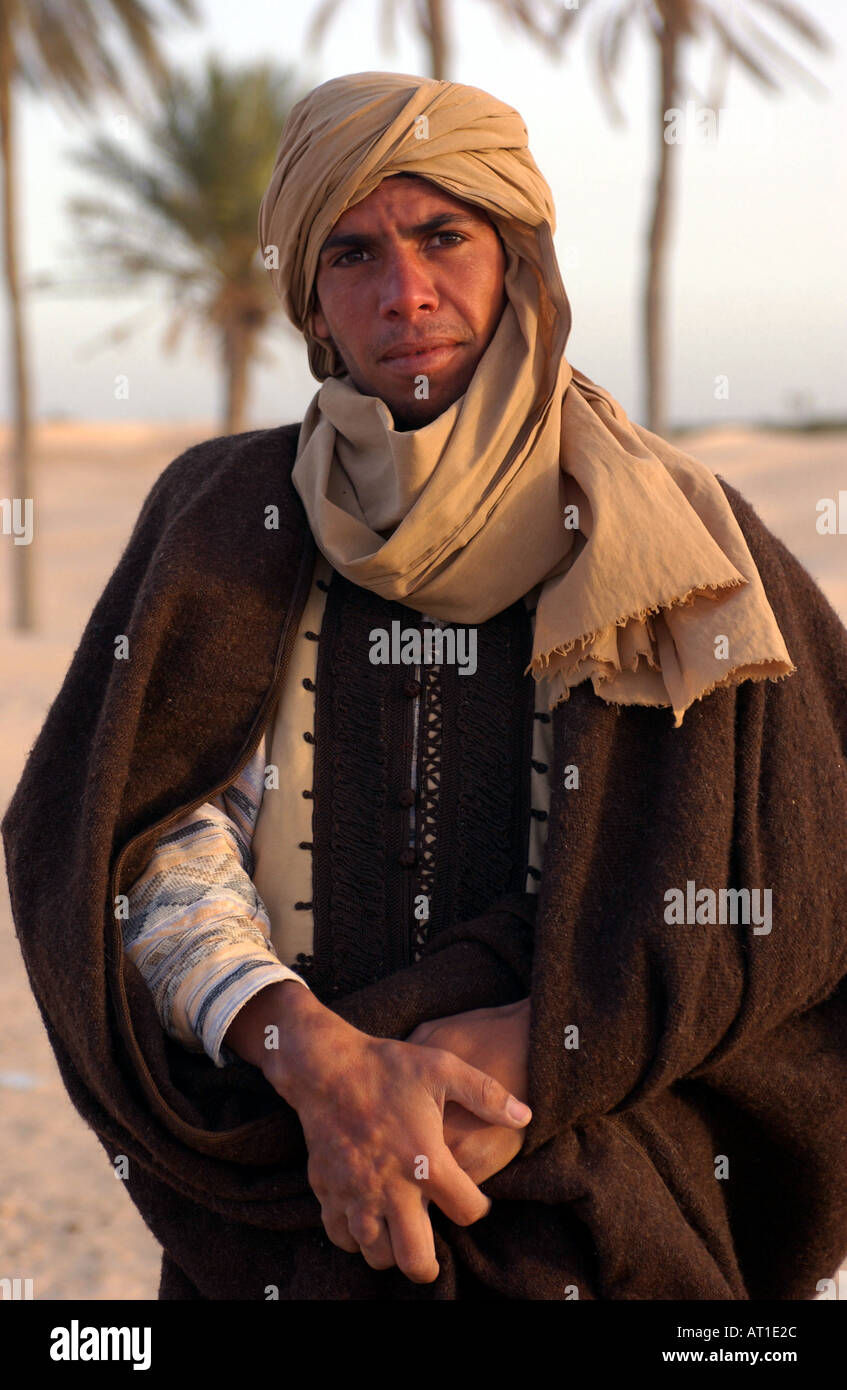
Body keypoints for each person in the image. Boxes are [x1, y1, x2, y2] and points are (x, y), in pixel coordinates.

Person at [3, 71, 847, 1303]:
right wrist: (320, 1064)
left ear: (518, 260)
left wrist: (528, 1057)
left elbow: (798, 874)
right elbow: (130, 848)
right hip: (294, 1204)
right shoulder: (223, 520)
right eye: (352, 253)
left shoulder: (685, 540)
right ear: (313, 301)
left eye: (444, 235)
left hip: (610, 1214)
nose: (405, 292)